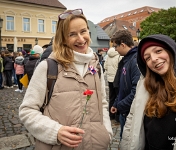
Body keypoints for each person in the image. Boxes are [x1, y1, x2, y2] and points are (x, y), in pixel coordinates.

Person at [19, 8, 113, 150]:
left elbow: (103, 104)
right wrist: (55, 132)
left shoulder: (96, 66)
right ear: (63, 38)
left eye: (83, 31)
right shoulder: (48, 67)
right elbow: (27, 110)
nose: (81, 39)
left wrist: (106, 133)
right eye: (72, 34)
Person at [120, 34, 176, 150]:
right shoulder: (145, 87)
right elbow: (132, 121)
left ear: (172, 50)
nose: (153, 59)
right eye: (147, 58)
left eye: (158, 51)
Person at [110, 29, 141, 140]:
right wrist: (115, 103)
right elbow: (123, 87)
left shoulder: (135, 61)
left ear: (122, 45)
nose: (115, 49)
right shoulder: (127, 60)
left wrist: (120, 105)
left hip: (130, 113)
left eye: (115, 46)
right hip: (125, 111)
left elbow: (136, 91)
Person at [104, 47, 122, 121]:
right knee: (118, 96)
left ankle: (111, 115)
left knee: (111, 97)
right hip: (117, 79)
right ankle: (117, 116)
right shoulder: (119, 56)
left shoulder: (108, 56)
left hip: (110, 79)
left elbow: (105, 66)